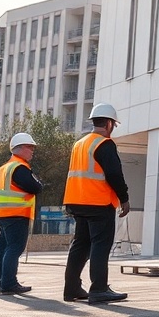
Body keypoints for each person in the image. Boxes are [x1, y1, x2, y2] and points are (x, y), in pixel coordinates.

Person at [63, 103, 130, 304]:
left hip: (77, 201)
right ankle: (99, 289)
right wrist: (124, 198)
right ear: (109, 123)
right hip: (98, 203)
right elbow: (114, 174)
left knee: (80, 245)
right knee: (100, 245)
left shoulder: (80, 144)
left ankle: (71, 288)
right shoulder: (104, 144)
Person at [0, 132, 44, 296]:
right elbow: (35, 187)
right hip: (17, 214)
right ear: (18, 148)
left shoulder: (5, 167)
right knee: (14, 248)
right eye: (29, 147)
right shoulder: (19, 167)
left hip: (3, 213)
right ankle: (8, 284)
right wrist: (38, 183)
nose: (32, 150)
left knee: (2, 248)